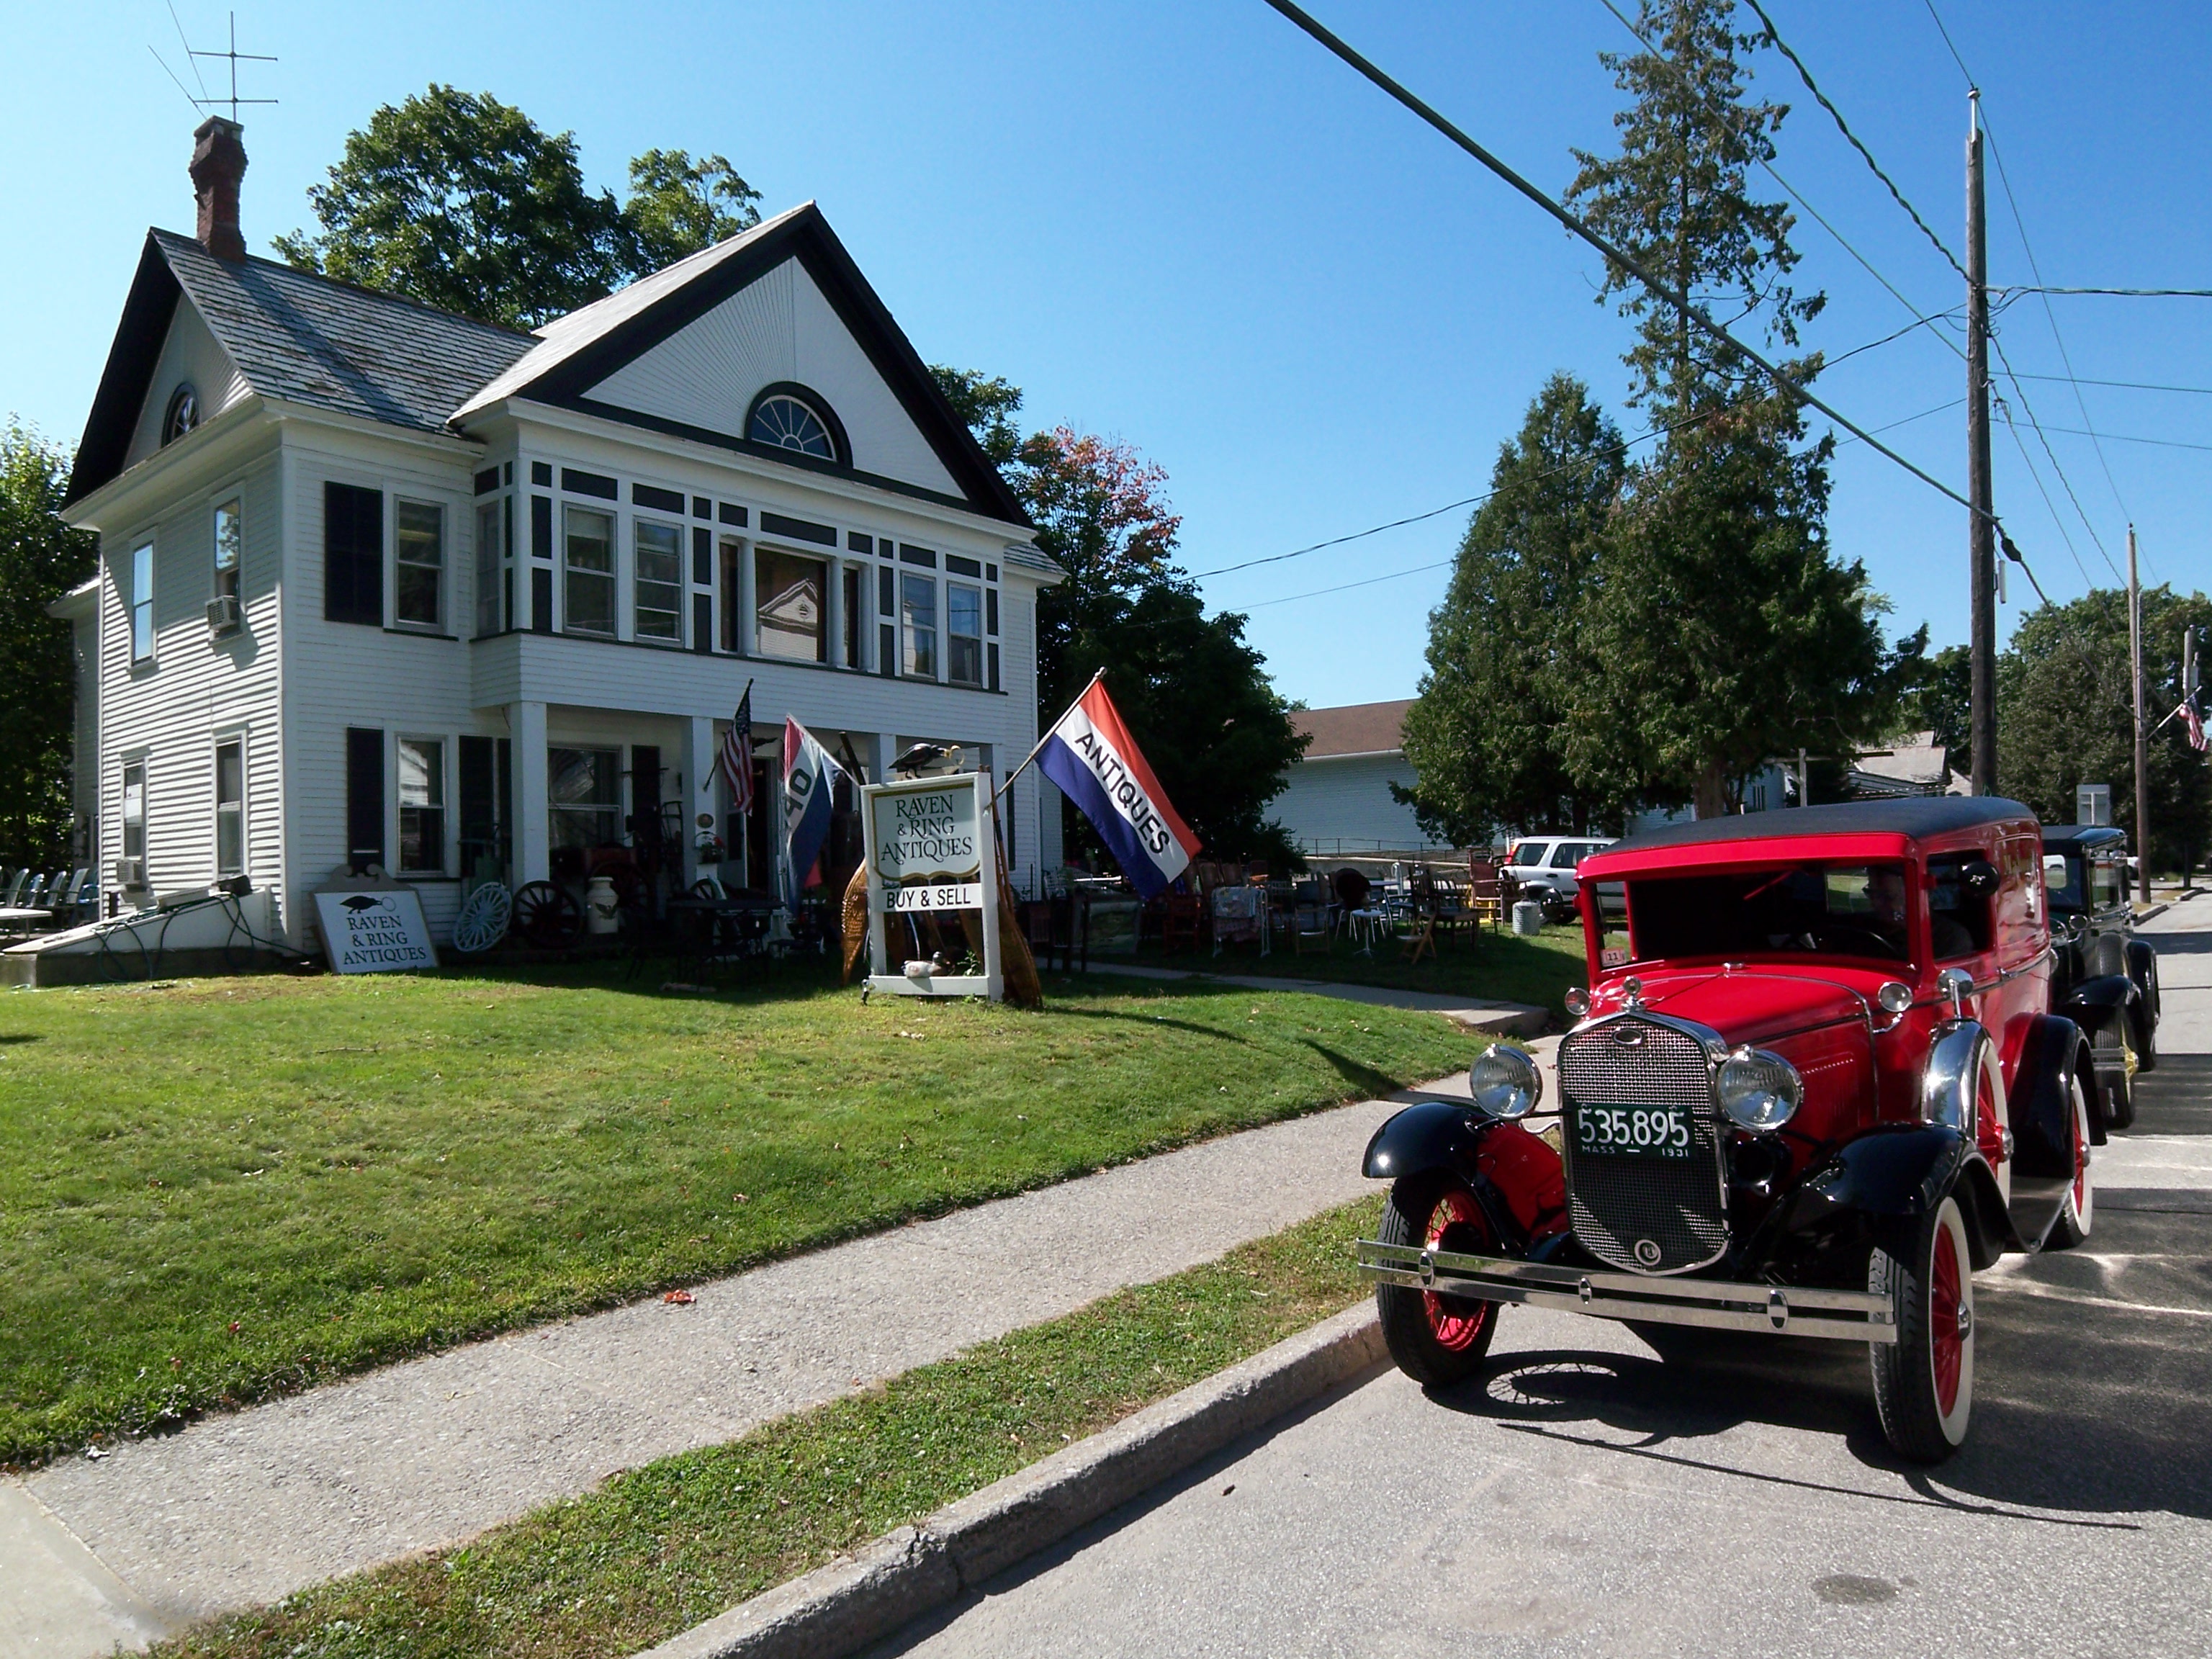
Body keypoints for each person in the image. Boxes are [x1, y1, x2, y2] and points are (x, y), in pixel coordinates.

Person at [1868, 865, 1974, 960]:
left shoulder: (1949, 937)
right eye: (1872, 894)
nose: (1876, 904)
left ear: (1913, 896)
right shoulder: (1868, 930)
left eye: (1888, 897)